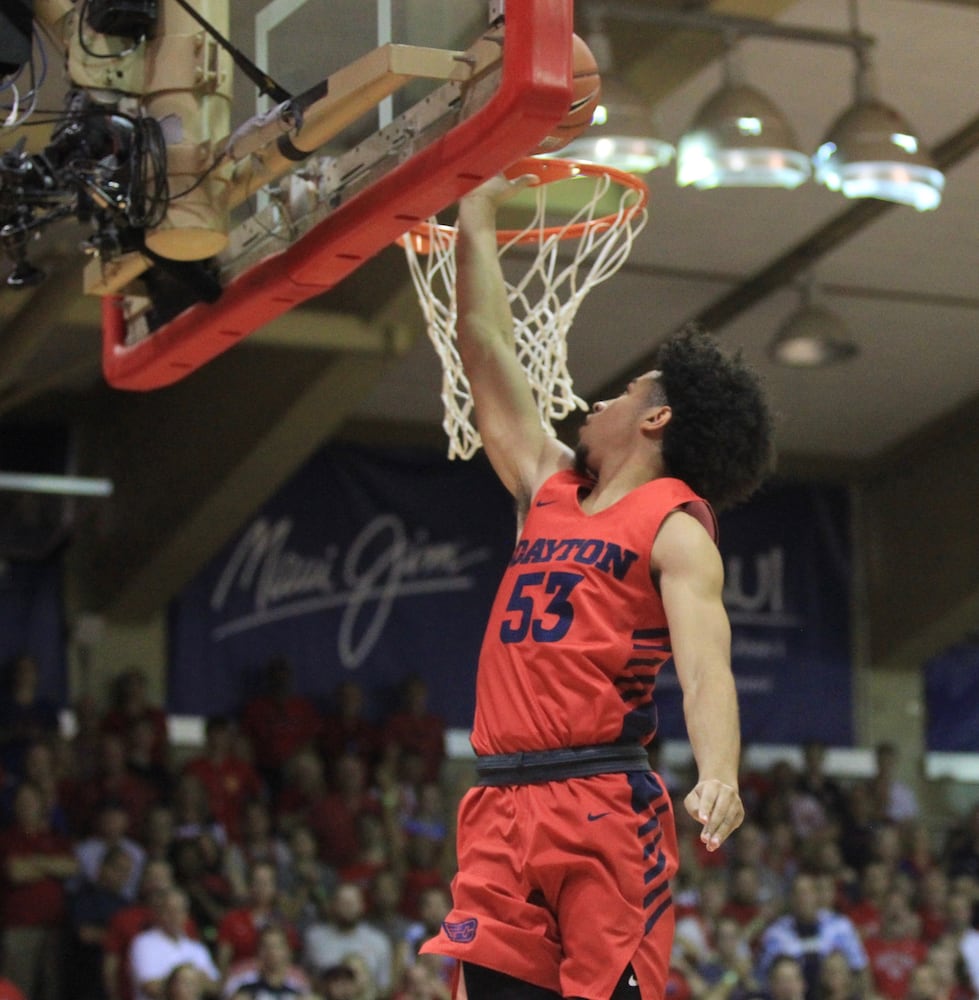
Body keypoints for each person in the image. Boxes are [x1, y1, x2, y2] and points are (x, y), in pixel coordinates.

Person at [418, 174, 774, 1000]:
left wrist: (718, 770)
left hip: (599, 802)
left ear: (655, 420)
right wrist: (473, 209)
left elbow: (707, 665)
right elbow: (484, 347)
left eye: (624, 392)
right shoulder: (545, 487)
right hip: (499, 803)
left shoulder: (675, 527)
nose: (599, 397)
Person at [129, 887, 220, 1000]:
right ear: (158, 913)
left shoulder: (197, 948)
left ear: (186, 914)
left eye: (179, 910)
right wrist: (195, 979)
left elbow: (216, 987)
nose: (174, 916)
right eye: (169, 911)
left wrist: (173, 981)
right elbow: (151, 988)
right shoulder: (143, 943)